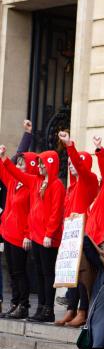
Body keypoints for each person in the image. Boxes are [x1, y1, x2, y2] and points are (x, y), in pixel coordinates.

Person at [1, 145, 66, 322]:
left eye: (43, 164)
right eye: (39, 164)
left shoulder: (57, 185)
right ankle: (40, 308)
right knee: (39, 273)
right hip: (37, 236)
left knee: (47, 273)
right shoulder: (36, 181)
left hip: (47, 238)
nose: (40, 167)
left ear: (51, 165)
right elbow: (17, 174)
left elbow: (56, 211)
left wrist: (49, 233)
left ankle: (48, 309)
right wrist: (5, 159)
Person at [55, 131, 99, 327]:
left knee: (82, 273)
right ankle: (71, 309)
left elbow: (80, 167)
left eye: (76, 162)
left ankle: (83, 310)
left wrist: (69, 146)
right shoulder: (72, 187)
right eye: (71, 163)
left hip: (83, 235)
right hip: (71, 235)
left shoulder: (89, 180)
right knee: (72, 273)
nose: (72, 165)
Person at [0, 119, 34, 318]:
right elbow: (6, 169)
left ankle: (24, 305)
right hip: (8, 232)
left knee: (21, 272)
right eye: (18, 163)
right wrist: (2, 157)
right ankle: (14, 303)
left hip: (21, 235)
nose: (19, 166)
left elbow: (32, 212)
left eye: (23, 163)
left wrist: (28, 234)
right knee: (12, 271)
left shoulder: (30, 186)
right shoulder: (13, 182)